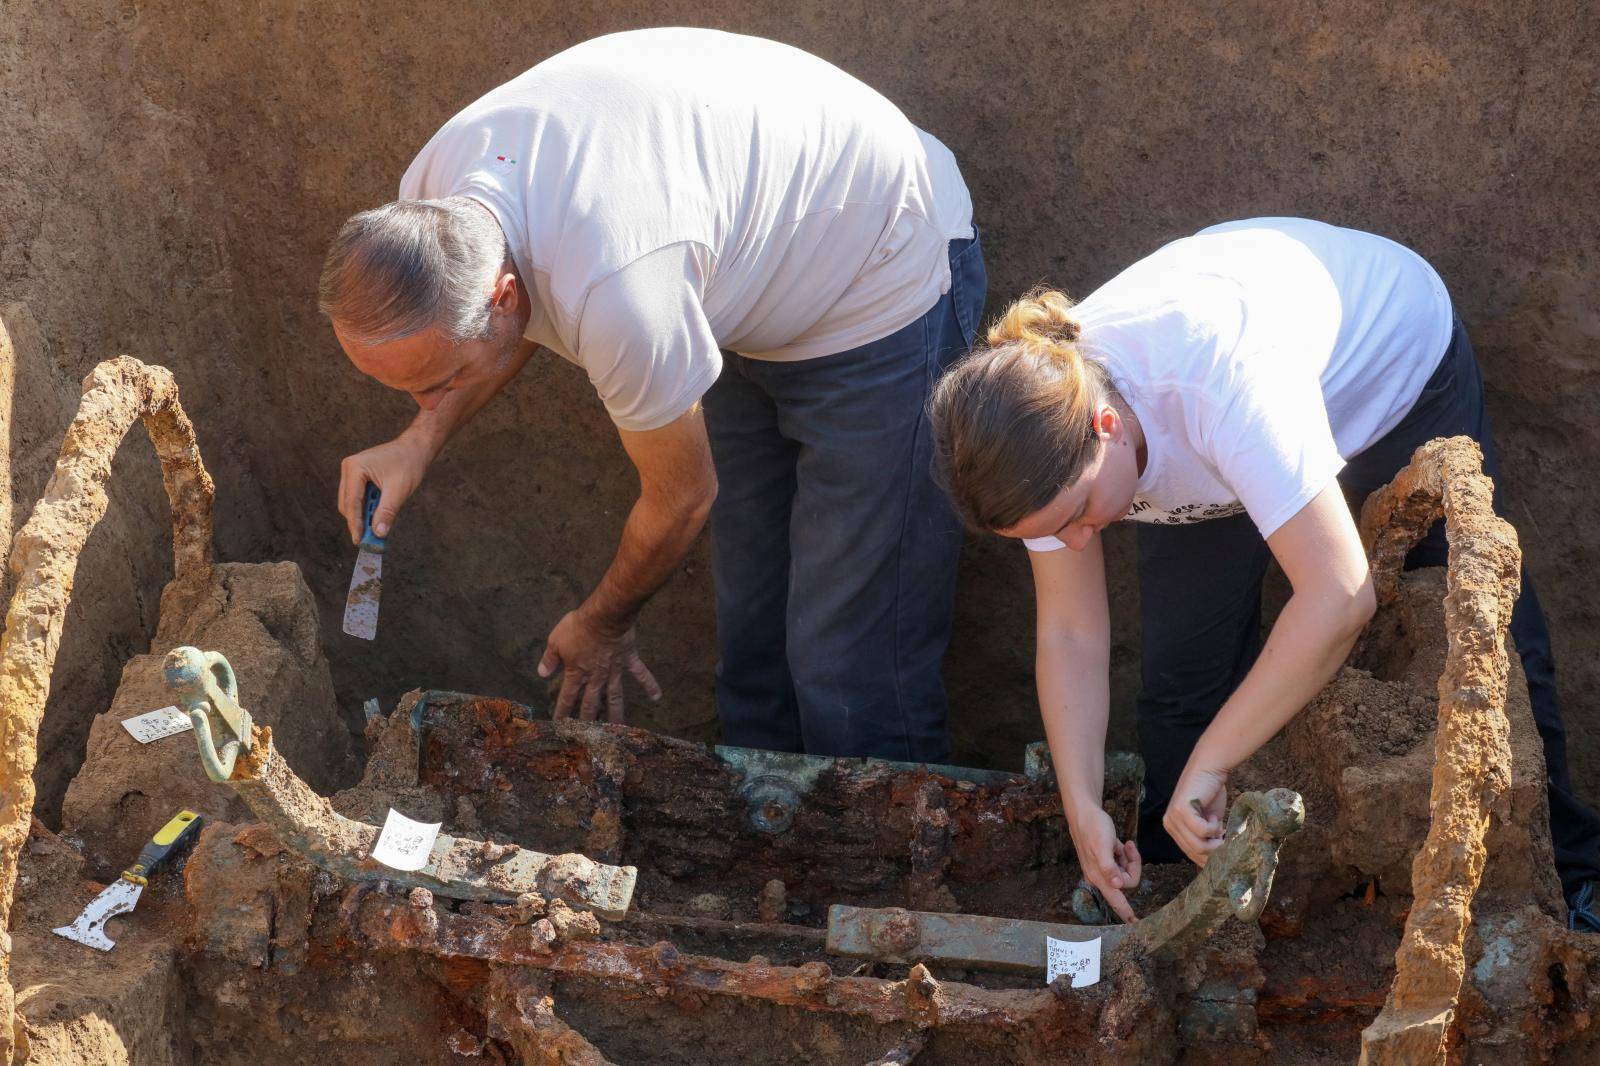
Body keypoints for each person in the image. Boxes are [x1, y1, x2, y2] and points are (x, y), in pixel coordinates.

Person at [317, 28, 984, 760]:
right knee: (753, 630)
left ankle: (880, 865)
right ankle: (761, 840)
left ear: (504, 294)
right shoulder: (435, 198)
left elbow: (682, 497)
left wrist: (603, 622)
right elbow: (493, 336)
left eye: (434, 385)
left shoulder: (619, 293)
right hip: (734, 268)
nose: (428, 400)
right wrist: (419, 441)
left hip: (880, 263)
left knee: (849, 657)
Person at [928, 216, 1600, 925]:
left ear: (1106, 426)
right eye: (1048, 534)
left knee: (1482, 636)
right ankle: (1178, 890)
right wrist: (1082, 804)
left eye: (1082, 514)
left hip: (1386, 377)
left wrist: (1215, 760)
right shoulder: (1035, 446)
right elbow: (1070, 632)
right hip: (1207, 443)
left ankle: (1574, 876)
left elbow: (1340, 598)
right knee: (1185, 674)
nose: (1077, 542)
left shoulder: (1216, 381)